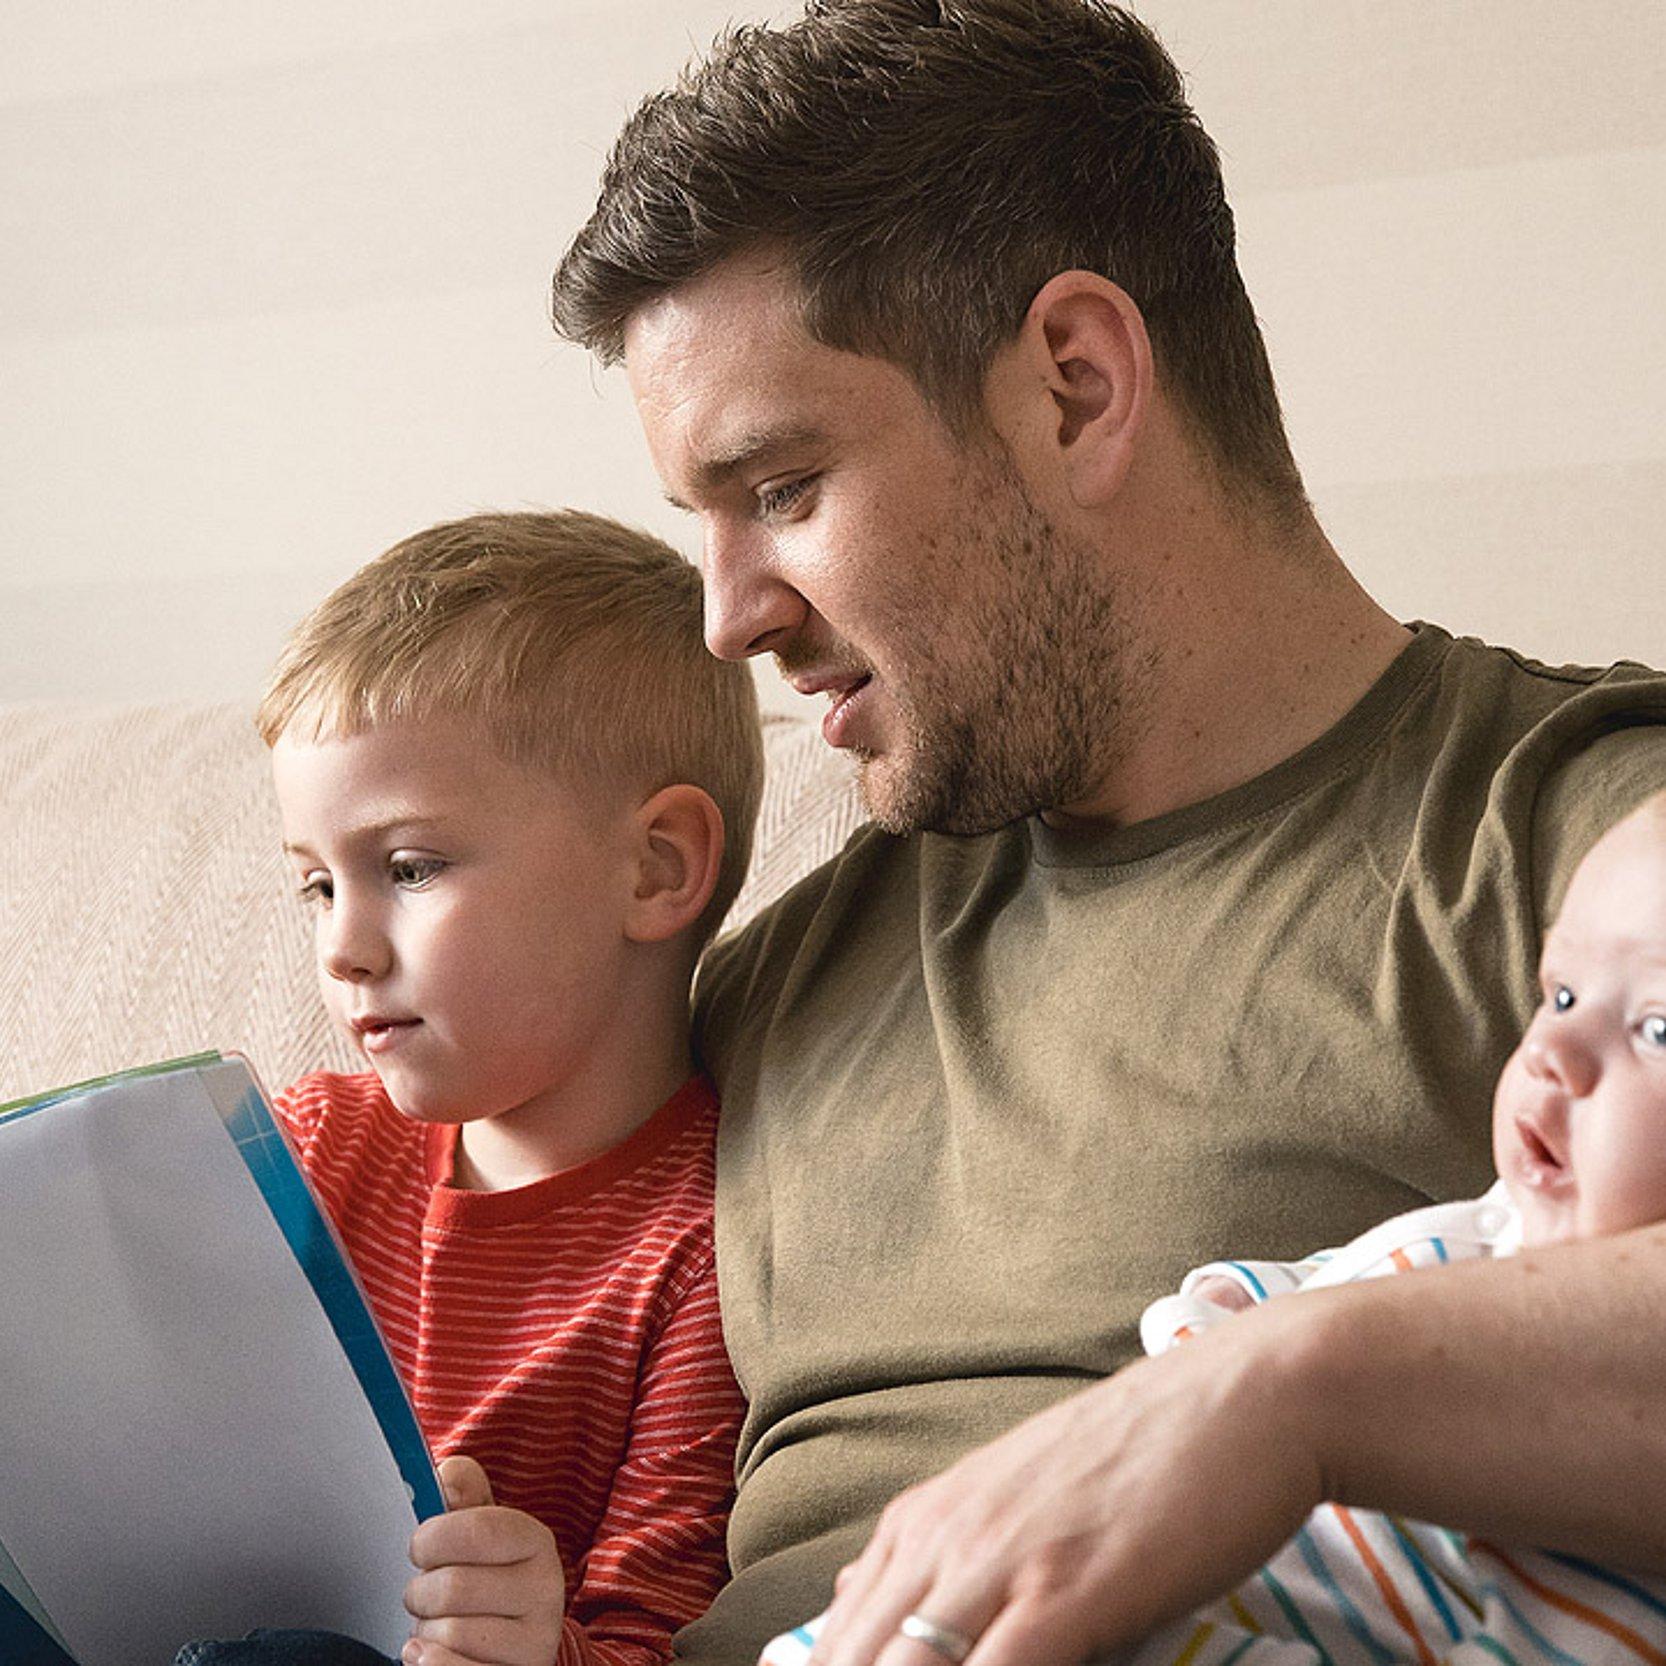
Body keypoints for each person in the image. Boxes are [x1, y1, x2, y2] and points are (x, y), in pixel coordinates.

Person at [547, 2, 1666, 1663]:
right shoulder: (760, 973)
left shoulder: (1571, 832)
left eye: (779, 487)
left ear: (1072, 389)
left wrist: (1281, 1385)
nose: (726, 618)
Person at [762, 790, 1666, 1664]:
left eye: (1659, 1030)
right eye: (1558, 995)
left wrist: (1271, 1391)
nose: (1551, 1054)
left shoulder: (1565, 789)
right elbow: (1232, 1315)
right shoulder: (785, 956)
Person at [175, 511, 763, 1666]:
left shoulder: (712, 1250)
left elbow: (658, 1640)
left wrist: (539, 1647)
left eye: (408, 868)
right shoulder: (296, 1149)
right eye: (315, 887)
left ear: (654, 869)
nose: (342, 946)